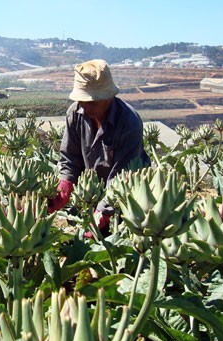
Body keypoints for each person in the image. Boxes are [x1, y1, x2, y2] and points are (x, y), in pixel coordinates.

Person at [48, 59, 150, 237]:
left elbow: (122, 178)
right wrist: (65, 185)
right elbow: (69, 158)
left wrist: (102, 214)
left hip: (127, 198)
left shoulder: (129, 122)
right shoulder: (75, 113)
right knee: (81, 242)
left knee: (119, 243)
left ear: (108, 97)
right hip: (91, 193)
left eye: (91, 101)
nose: (85, 105)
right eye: (82, 99)